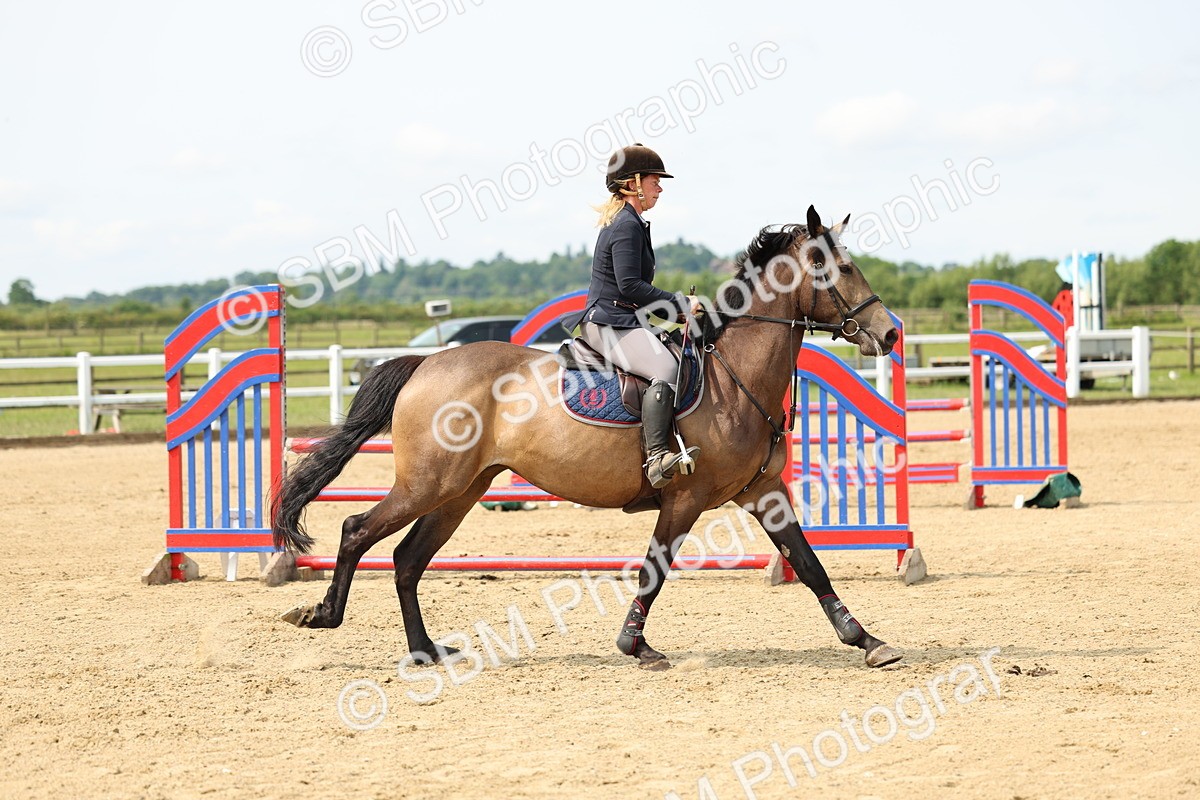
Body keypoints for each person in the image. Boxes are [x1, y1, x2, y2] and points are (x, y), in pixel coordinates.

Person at [565, 144, 701, 488]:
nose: (660, 187)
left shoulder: (632, 222)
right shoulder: (626, 225)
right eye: (656, 180)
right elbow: (629, 286)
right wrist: (678, 303)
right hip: (609, 323)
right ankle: (656, 458)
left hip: (624, 320)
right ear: (633, 184)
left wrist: (674, 312)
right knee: (666, 368)